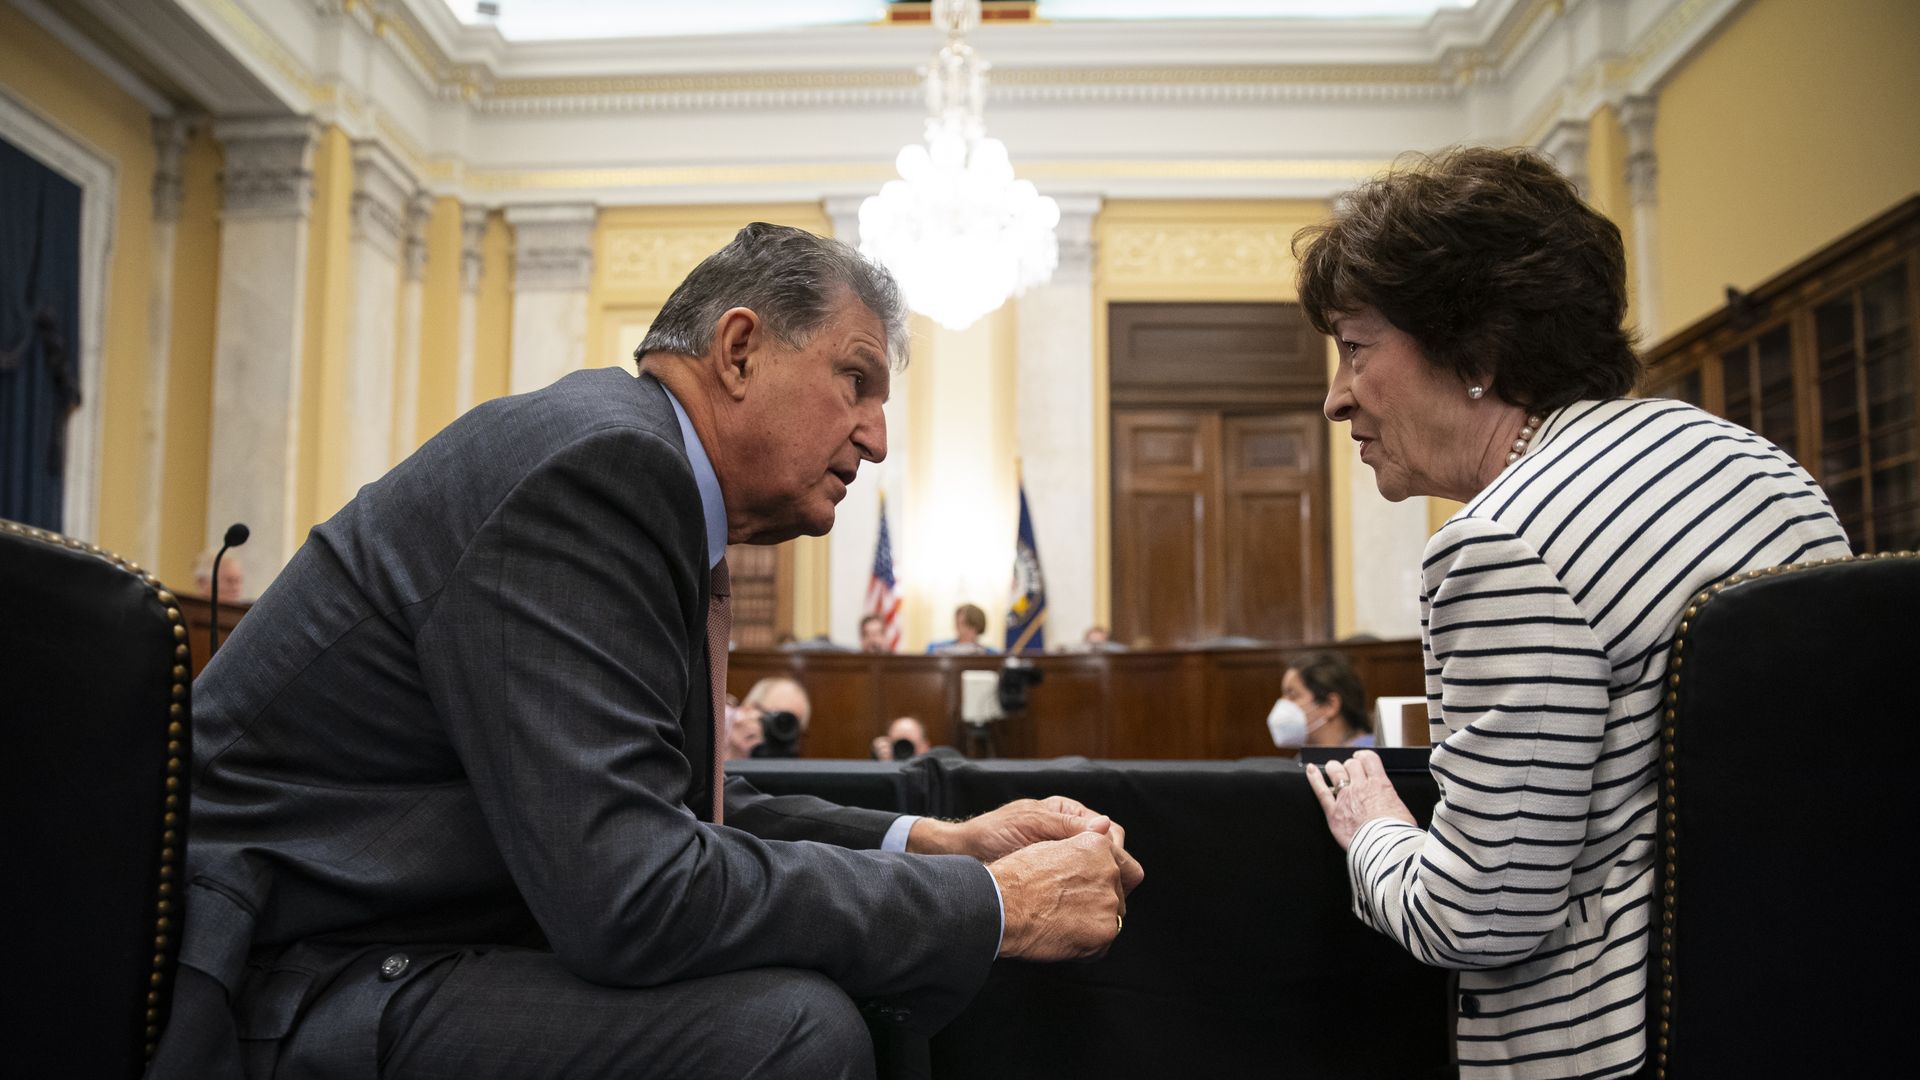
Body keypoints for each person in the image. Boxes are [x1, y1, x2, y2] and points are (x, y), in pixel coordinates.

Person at [153, 224, 1143, 1080]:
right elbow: (631, 893)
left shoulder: (636, 470)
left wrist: (941, 843)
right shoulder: (598, 470)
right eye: (857, 380)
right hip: (279, 971)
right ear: (742, 350)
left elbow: (674, 802)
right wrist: (985, 903)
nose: (878, 438)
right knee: (788, 1030)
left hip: (388, 938)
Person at [1293, 148, 1849, 1079]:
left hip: (1628, 1046)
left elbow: (1476, 918)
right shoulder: (1759, 466)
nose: (1335, 395)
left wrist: (1374, 830)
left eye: (1356, 347)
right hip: (1827, 1007)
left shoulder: (1502, 540)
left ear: (1472, 348)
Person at [1266, 650, 1373, 749]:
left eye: (1293, 695)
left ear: (1330, 705)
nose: (1283, 704)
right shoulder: (1307, 758)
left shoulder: (1370, 759)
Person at [728, 675, 812, 760]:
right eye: (779, 720)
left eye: (791, 726)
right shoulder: (718, 739)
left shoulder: (794, 768)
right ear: (747, 710)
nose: (782, 732)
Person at [926, 602, 997, 656]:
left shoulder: (992, 654)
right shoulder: (935, 649)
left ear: (977, 627)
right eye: (958, 623)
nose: (959, 628)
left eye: (965, 624)